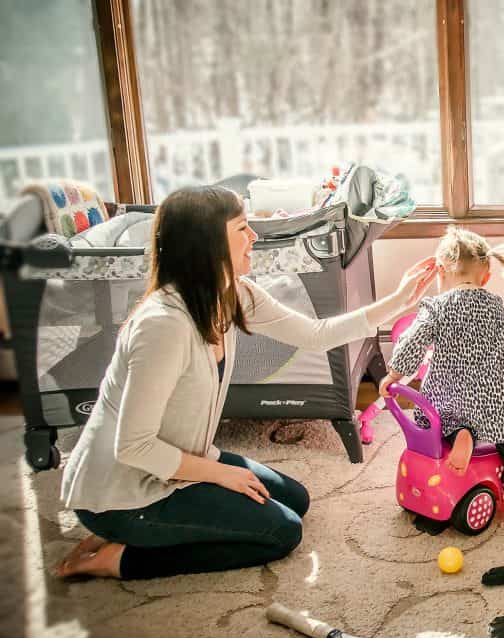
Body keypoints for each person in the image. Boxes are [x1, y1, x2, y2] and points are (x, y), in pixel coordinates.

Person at [56, 185, 436, 579]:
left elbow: (316, 335)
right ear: (208, 246)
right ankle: (118, 556)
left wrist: (400, 300)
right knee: (281, 533)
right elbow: (133, 447)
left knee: (296, 500)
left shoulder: (231, 293)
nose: (254, 236)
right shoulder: (162, 327)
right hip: (123, 489)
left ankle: (154, 531)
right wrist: (221, 473)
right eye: (242, 228)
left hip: (180, 461)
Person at [379, 226, 504, 512]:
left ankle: (461, 434)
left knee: (448, 418)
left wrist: (394, 374)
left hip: (453, 392)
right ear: (486, 277)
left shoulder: (436, 307)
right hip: (498, 394)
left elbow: (413, 342)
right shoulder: (496, 306)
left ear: (441, 273)